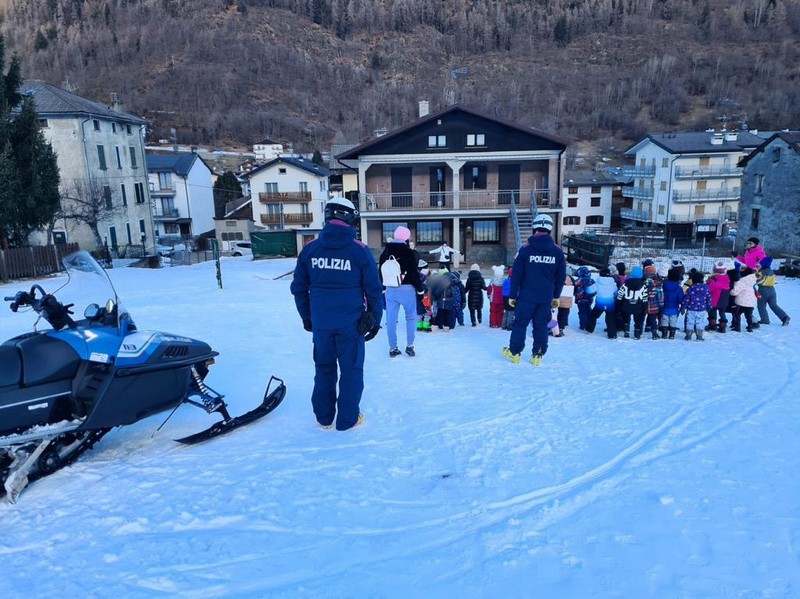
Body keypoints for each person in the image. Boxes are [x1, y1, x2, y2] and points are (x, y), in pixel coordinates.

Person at [290, 198, 383, 431]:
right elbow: (373, 288)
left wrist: (307, 317)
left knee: (324, 368)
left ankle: (324, 418)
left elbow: (299, 289)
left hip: (322, 323)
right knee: (351, 370)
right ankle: (347, 419)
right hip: (351, 325)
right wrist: (374, 319)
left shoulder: (310, 249)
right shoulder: (359, 251)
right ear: (351, 218)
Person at [501, 214, 566, 366]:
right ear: (550, 228)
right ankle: (537, 355)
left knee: (520, 324)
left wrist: (512, 295)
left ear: (534, 227)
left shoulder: (525, 250)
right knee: (541, 325)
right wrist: (556, 295)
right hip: (545, 297)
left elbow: (516, 274)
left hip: (526, 296)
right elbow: (561, 276)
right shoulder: (557, 252)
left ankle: (514, 353)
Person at [378, 226, 424, 358]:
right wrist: (420, 289)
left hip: (391, 289)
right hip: (407, 289)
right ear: (406, 238)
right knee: (410, 317)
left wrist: (383, 286)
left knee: (391, 319)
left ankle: (393, 348)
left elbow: (380, 271)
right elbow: (415, 274)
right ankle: (410, 346)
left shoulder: (385, 252)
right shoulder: (409, 252)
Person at [616, 265, 649, 339]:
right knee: (638, 320)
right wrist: (645, 307)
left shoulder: (625, 284)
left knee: (626, 318)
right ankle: (637, 333)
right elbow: (645, 298)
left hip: (626, 306)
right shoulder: (643, 286)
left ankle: (626, 331)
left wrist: (619, 304)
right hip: (638, 307)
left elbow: (620, 295)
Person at [756, 256, 790, 326]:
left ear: (763, 264)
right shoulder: (771, 271)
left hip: (763, 290)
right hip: (772, 290)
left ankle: (765, 320)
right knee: (774, 305)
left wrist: (755, 274)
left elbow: (758, 281)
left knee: (761, 306)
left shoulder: (761, 272)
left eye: (760, 264)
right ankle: (784, 317)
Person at [681, 271, 712, 341]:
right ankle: (699, 336)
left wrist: (683, 307)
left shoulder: (690, 288)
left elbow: (686, 299)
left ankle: (688, 335)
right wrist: (709, 306)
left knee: (690, 322)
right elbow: (709, 298)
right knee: (700, 322)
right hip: (701, 309)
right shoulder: (706, 288)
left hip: (691, 309)